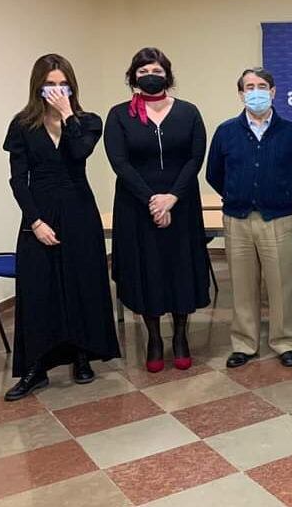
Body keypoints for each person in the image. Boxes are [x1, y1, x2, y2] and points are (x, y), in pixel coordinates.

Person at [1, 54, 121, 401]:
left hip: (79, 211)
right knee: (40, 289)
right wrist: (35, 221)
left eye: (62, 84)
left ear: (72, 87)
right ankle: (36, 368)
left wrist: (68, 115)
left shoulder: (87, 121)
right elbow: (17, 179)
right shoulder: (22, 125)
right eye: (50, 85)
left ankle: (82, 354)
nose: (56, 91)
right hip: (38, 212)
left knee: (82, 282)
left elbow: (80, 152)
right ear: (38, 87)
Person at [104, 48, 209, 373]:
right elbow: (119, 161)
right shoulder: (120, 115)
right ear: (133, 76)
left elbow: (195, 157)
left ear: (168, 75)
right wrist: (152, 200)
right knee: (145, 270)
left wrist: (171, 198)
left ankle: (180, 335)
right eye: (144, 70)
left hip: (182, 204)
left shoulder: (188, 112)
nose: (151, 75)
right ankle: (153, 337)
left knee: (180, 267)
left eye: (158, 70)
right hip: (136, 207)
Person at [207, 68, 292, 369]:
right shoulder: (226, 131)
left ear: (273, 91)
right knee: (242, 285)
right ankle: (244, 343)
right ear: (240, 94)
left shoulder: (290, 132)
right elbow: (214, 173)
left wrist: (281, 192)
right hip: (237, 219)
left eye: (262, 86)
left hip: (277, 218)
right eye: (249, 87)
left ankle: (285, 342)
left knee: (281, 285)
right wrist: (236, 193)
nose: (256, 92)